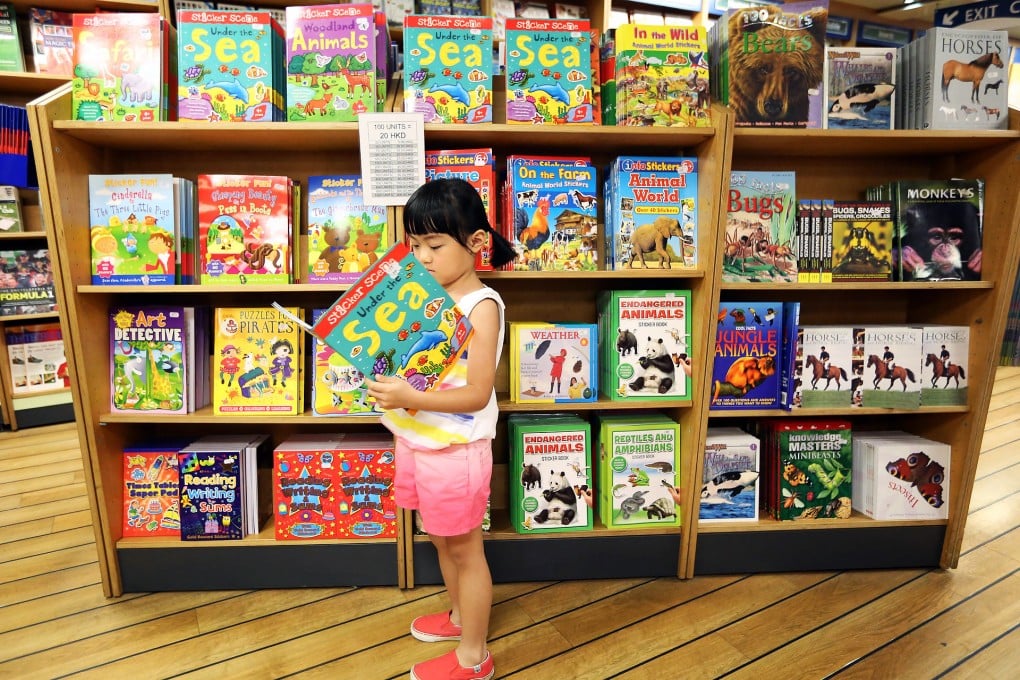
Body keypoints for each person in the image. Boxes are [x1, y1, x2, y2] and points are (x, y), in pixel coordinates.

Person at [365, 178, 516, 680]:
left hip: (457, 449)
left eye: (434, 245)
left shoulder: (482, 306)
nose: (422, 258)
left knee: (465, 549)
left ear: (476, 242)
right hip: (417, 439)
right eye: (414, 246)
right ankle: (459, 618)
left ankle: (474, 657)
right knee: (440, 538)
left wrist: (408, 396)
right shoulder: (422, 297)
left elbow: (476, 394)